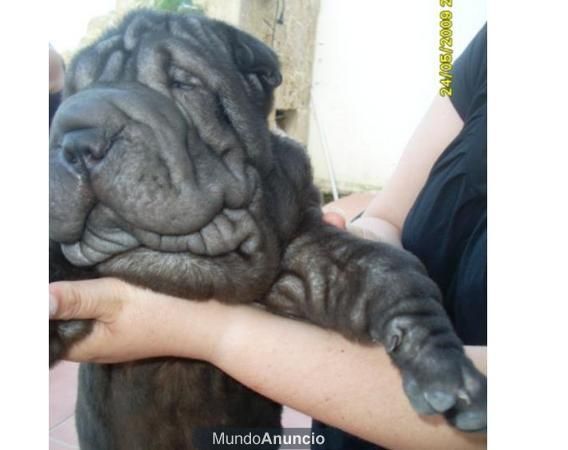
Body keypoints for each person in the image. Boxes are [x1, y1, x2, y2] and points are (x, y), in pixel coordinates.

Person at [49, 24, 487, 450]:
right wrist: (348, 242)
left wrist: (417, 332)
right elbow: (387, 218)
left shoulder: (264, 193)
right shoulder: (487, 52)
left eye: (182, 84)